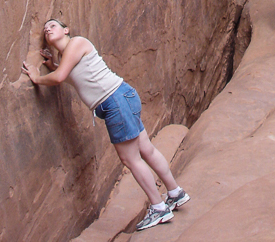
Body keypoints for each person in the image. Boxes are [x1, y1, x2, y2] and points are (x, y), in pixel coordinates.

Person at [22, 19, 190, 231]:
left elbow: (60, 77)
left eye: (53, 25)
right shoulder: (66, 57)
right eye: (45, 29)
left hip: (116, 103)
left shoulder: (77, 43)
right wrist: (52, 66)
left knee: (130, 159)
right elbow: (73, 75)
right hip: (122, 97)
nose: (48, 29)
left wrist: (37, 78)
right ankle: (175, 193)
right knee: (146, 149)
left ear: (66, 30)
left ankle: (158, 207)